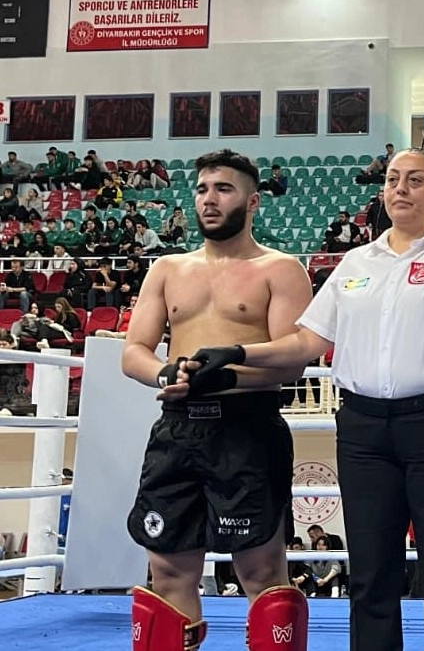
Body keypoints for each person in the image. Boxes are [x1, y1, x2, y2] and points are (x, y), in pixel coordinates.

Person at [181, 28, 424, 651]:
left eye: (416, 180)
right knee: (371, 578)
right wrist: (236, 356)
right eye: (392, 179)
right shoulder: (354, 263)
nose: (400, 188)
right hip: (362, 432)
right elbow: (305, 344)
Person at [121, 149, 313, 651]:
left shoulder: (281, 269)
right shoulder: (168, 268)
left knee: (261, 569)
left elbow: (292, 361)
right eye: (203, 189)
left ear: (253, 202)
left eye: (223, 189)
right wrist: (166, 372)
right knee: (167, 569)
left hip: (247, 426)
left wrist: (224, 377)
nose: (209, 199)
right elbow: (134, 353)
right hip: (177, 427)